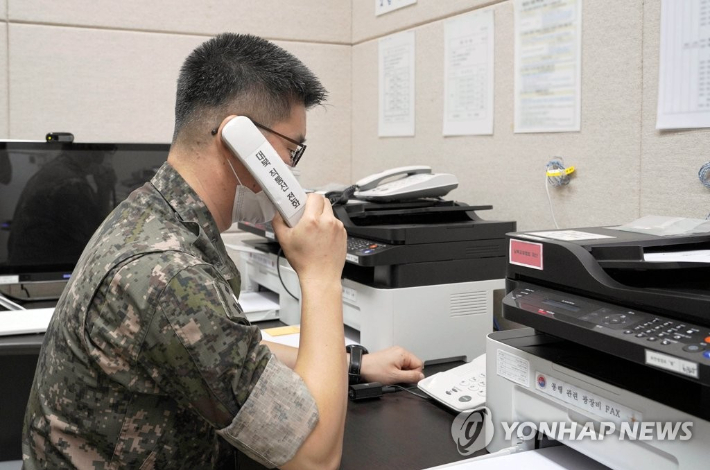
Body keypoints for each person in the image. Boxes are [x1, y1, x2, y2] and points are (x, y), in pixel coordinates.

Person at [22, 33, 424, 469]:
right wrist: (321, 275)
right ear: (241, 141)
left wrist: (354, 364)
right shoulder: (170, 273)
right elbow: (315, 457)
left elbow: (228, 356)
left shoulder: (149, 212)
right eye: (291, 151)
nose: (291, 170)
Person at [7, 149, 116, 266]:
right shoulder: (71, 184)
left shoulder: (54, 170)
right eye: (109, 151)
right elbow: (100, 242)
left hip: (27, 264)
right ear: (94, 153)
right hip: (48, 268)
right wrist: (105, 190)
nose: (108, 159)